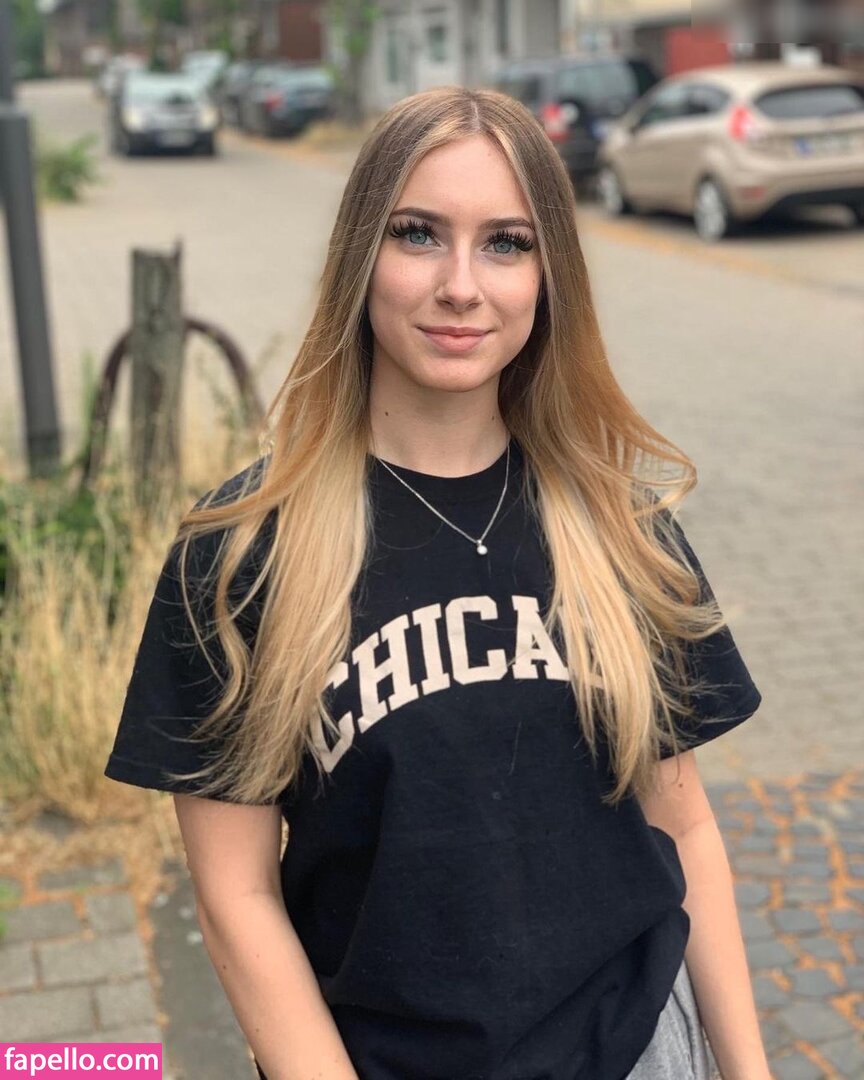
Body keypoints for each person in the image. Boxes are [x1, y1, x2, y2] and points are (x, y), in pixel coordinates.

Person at [104, 86, 772, 1080]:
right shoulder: (242, 557)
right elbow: (236, 899)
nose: (461, 286)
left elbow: (684, 823)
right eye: (418, 234)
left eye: (506, 243)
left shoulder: (621, 530)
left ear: (549, 275)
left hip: (638, 1048)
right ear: (360, 255)